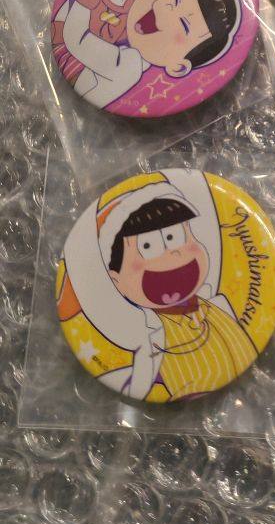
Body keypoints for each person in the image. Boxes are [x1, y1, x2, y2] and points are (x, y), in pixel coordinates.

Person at [57, 169, 257, 401]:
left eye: (175, 237)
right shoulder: (150, 337)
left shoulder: (219, 306)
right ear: (116, 279)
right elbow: (140, 387)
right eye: (148, 246)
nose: (173, 253)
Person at [51, 0, 241, 108]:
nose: (168, 8)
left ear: (178, 66)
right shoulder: (126, 13)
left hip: (65, 89)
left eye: (184, 25)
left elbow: (76, 40)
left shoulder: (130, 65)